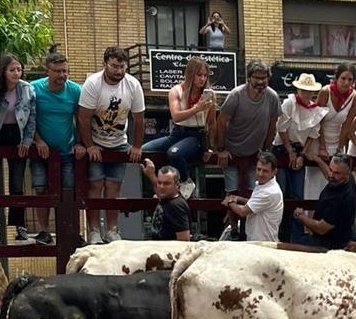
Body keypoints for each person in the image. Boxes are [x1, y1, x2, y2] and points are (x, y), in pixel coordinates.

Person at [78, 46, 146, 245]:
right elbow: (83, 117)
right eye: (114, 66)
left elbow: (139, 119)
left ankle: (112, 230)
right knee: (95, 185)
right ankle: (93, 230)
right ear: (105, 64)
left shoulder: (133, 85)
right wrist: (89, 145)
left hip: (118, 142)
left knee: (113, 187)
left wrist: (137, 146)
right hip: (95, 140)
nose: (118, 71)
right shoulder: (93, 84)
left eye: (122, 67)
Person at [0, 54, 37, 243]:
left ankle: (20, 228)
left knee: (17, 185)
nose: (16, 73)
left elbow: (32, 116)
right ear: (3, 71)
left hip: (16, 135)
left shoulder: (27, 89)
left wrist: (27, 140)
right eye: (12, 70)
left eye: (19, 69)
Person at [30, 52, 86, 245]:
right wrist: (37, 140)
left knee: (69, 191)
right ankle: (43, 231)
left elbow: (80, 119)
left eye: (65, 71)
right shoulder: (34, 89)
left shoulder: (74, 90)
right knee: (41, 189)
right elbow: (28, 119)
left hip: (66, 150)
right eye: (58, 71)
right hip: (40, 150)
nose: (62, 75)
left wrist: (80, 142)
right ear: (48, 71)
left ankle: (70, 230)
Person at [142, 56, 215, 198]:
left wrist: (210, 146)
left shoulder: (209, 94)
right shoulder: (176, 91)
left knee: (174, 153)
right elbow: (176, 116)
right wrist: (196, 109)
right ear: (190, 74)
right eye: (199, 75)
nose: (202, 79)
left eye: (205, 75)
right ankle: (163, 183)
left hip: (195, 134)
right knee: (145, 150)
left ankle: (186, 181)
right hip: (177, 132)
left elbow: (212, 123)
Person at [213, 59, 281, 197]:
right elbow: (221, 121)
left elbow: (272, 125)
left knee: (254, 193)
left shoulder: (272, 97)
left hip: (254, 154)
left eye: (264, 78)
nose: (260, 81)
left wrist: (266, 150)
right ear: (249, 78)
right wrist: (221, 149)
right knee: (231, 193)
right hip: (232, 152)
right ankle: (231, 218)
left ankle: (247, 219)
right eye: (256, 77)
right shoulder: (236, 95)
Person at [272, 72, 327, 237]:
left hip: (299, 151)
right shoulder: (289, 104)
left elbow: (313, 135)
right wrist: (290, 150)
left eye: (309, 90)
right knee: (281, 192)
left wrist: (302, 154)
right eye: (303, 90)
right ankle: (280, 234)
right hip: (282, 149)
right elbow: (281, 128)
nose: (306, 93)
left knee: (297, 195)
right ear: (298, 90)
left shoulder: (316, 110)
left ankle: (296, 236)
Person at [311, 64, 356, 203]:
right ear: (337, 78)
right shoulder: (325, 92)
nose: (346, 83)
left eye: (350, 79)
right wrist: (322, 146)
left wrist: (340, 148)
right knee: (316, 183)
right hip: (318, 138)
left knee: (336, 180)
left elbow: (347, 125)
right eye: (343, 78)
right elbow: (317, 121)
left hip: (337, 139)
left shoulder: (355, 97)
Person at [293, 154, 356, 249]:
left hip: (331, 243)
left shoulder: (342, 198)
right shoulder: (342, 180)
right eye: (331, 169)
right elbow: (329, 174)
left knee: (294, 247)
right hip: (325, 237)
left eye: (336, 173)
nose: (331, 175)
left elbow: (321, 228)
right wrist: (318, 160)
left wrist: (301, 217)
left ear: (347, 174)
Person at [224, 152, 283, 242]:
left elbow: (243, 211)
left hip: (263, 243)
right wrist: (238, 198)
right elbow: (254, 202)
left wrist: (229, 201)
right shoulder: (265, 184)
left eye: (265, 171)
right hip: (259, 241)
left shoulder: (269, 192)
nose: (260, 174)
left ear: (274, 172)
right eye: (259, 169)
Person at [140, 161, 192, 241]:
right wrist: (151, 175)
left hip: (168, 251)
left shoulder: (176, 206)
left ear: (177, 185)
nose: (161, 187)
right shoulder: (167, 198)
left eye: (167, 184)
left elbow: (184, 240)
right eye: (159, 183)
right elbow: (160, 193)